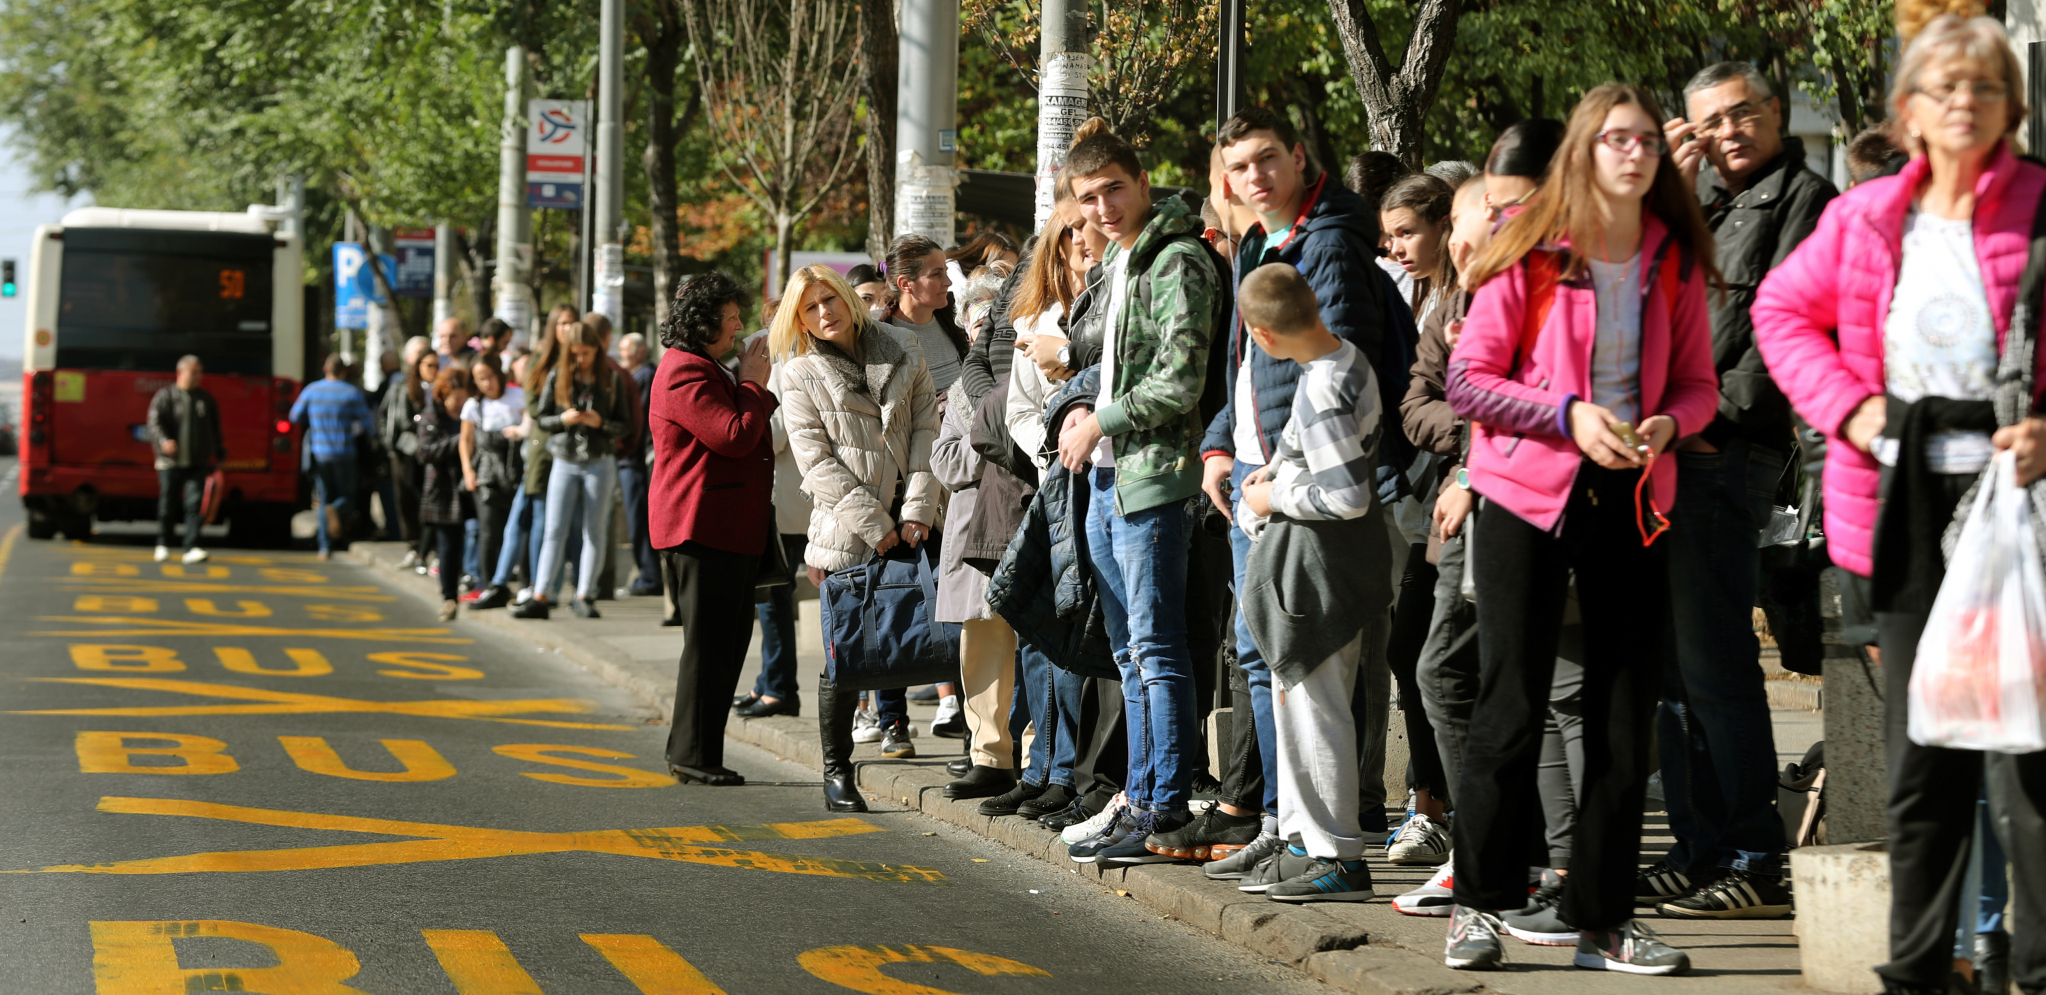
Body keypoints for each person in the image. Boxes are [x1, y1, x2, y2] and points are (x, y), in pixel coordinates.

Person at [1754, 17, 2046, 994]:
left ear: (2015, 106)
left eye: (1986, 85)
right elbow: (1781, 313)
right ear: (1910, 111)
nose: (1965, 99)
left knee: (2030, 757)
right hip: (1904, 509)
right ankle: (1918, 969)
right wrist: (1852, 406)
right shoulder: (1867, 216)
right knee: (1929, 754)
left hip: (2025, 510)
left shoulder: (2041, 209)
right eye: (1945, 85)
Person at [1442, 82, 1719, 975]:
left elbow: (1698, 385)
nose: (1636, 153)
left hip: (1634, 495)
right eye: (1616, 140)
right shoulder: (1529, 248)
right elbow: (1470, 382)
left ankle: (1602, 918)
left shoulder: (1672, 256)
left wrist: (1669, 425)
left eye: (1646, 141)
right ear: (1584, 153)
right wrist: (1569, 414)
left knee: (1623, 709)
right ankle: (1478, 903)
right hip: (1527, 492)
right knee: (1511, 702)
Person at [1628, 59, 1838, 919]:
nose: (1727, 133)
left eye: (1742, 114)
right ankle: (1699, 843)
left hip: (1723, 448)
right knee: (1673, 672)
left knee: (1715, 662)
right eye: (1709, 123)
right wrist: (1662, 199)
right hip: (1656, 453)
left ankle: (1754, 853)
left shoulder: (1806, 198)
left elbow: (1783, 329)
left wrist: (1704, 416)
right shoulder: (1690, 201)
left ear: (1777, 112)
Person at [1194, 105, 1407, 877]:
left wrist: (1275, 488)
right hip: (1269, 484)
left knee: (1313, 686)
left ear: (1297, 154)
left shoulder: (1331, 245)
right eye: (1238, 168)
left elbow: (1333, 392)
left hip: (1303, 502)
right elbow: (1245, 371)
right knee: (1277, 677)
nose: (1253, 177)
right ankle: (1292, 832)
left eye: (1265, 159)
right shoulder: (1259, 238)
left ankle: (1326, 845)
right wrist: (1223, 447)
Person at [1393, 122, 1570, 921]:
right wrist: (1470, 442)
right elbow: (1423, 400)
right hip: (1467, 508)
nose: (1474, 243)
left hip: (1518, 506)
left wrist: (1474, 454)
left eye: (1485, 224)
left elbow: (1535, 394)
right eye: (1475, 227)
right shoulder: (1449, 303)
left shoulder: (1539, 283)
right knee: (1469, 677)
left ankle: (1517, 854)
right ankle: (1504, 850)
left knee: (1518, 683)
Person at [1047, 118, 1226, 865]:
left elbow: (1182, 381)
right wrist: (1085, 409)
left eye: (1114, 189)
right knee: (1129, 652)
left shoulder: (1177, 259)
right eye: (1088, 197)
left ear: (1142, 180)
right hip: (1111, 477)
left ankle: (1163, 801)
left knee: (1157, 648)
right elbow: (1116, 370)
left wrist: (1103, 419)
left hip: (1155, 477)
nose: (1102, 207)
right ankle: (1141, 793)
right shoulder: (1119, 263)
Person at [1234, 261, 1388, 902]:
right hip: (1332, 566)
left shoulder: (1322, 387)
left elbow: (1346, 495)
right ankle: (1306, 843)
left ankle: (1336, 855)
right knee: (1306, 706)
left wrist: (1272, 497)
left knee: (1316, 712)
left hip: (1321, 568)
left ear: (1261, 337)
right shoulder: (1347, 359)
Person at [775, 264, 941, 810]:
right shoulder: (798, 374)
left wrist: (916, 507)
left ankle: (961, 741)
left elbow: (926, 429)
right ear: (798, 319)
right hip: (848, 530)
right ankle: (836, 769)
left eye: (830, 300)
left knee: (934, 630)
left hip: (916, 521)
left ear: (847, 297)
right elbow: (816, 464)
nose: (825, 313)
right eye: (810, 308)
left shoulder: (900, 346)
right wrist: (879, 524)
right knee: (846, 654)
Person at [651, 271, 776, 786]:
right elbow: (733, 436)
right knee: (709, 648)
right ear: (703, 324)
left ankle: (697, 750)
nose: (738, 327)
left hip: (721, 527)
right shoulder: (685, 371)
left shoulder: (700, 366)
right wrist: (753, 382)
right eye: (729, 319)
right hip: (701, 528)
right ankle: (693, 754)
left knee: (724, 645)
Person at [1376, 171, 1460, 866]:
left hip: (1469, 491)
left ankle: (1442, 804)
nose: (1396, 245)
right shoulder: (1428, 295)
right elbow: (1416, 401)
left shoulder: (1466, 291)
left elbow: (1444, 402)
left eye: (1407, 231)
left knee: (1433, 655)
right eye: (1391, 234)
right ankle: (1430, 802)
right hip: (1430, 491)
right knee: (1414, 651)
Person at [515, 318, 630, 619]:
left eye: (586, 353)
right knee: (554, 528)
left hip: (599, 460)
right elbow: (542, 418)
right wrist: (564, 419)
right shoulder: (558, 376)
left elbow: (626, 425)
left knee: (594, 530)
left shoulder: (610, 380)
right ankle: (541, 595)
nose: (580, 359)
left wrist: (600, 423)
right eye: (575, 353)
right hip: (564, 459)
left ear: (597, 350)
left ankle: (584, 595)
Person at [290, 353, 377, 561]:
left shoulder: (312, 390)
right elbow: (369, 426)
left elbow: (294, 416)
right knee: (347, 496)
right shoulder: (351, 393)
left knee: (324, 498)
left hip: (319, 453)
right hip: (345, 453)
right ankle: (335, 512)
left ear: (326, 369)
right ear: (344, 372)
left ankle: (324, 546)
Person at [145, 355, 224, 565]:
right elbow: (154, 422)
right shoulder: (165, 396)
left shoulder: (205, 399)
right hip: (169, 462)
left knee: (194, 504)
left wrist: (219, 453)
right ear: (180, 373)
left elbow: (214, 429)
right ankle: (163, 544)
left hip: (197, 462)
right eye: (193, 372)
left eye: (200, 372)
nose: (198, 377)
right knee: (167, 504)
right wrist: (164, 441)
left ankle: (191, 546)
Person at [459, 355, 524, 604]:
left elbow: (536, 436)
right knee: (489, 533)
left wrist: (527, 439)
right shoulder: (474, 406)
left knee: (517, 530)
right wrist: (468, 471)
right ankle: (488, 583)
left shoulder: (517, 397)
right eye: (480, 379)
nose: (487, 383)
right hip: (487, 477)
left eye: (490, 376)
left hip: (516, 473)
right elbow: (466, 440)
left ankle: (517, 582)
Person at [416, 366, 474, 621]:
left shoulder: (472, 414)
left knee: (475, 535)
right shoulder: (432, 415)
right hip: (444, 488)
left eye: (464, 399)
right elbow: (425, 451)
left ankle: (474, 581)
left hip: (470, 483)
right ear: (443, 395)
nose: (460, 405)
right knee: (448, 545)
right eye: (455, 399)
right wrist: (460, 440)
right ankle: (449, 596)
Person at [379, 341, 439, 568]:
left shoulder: (441, 387)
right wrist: (389, 443)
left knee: (428, 501)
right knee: (406, 500)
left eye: (436, 365)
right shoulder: (401, 386)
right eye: (428, 365)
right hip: (405, 453)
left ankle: (427, 549)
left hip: (430, 453)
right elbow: (387, 416)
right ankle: (414, 547)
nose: (434, 370)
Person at [886, 234, 970, 395]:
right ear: (905, 284)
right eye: (936, 274)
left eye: (946, 272)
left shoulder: (954, 321)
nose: (948, 282)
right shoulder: (880, 333)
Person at [618, 331, 662, 596]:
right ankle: (648, 575)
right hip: (635, 459)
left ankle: (649, 577)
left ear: (639, 352)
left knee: (640, 519)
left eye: (626, 350)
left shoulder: (644, 376)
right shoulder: (639, 376)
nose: (622, 356)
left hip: (637, 460)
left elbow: (637, 422)